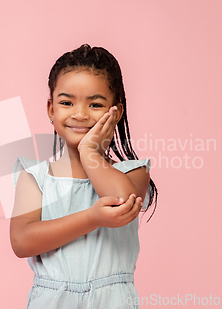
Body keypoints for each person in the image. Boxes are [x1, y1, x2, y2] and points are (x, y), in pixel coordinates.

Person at [10, 44, 158, 308]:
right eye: (67, 102)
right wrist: (92, 218)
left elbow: (122, 201)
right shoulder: (36, 176)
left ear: (116, 112)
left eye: (96, 104)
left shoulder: (133, 172)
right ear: (51, 110)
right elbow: (22, 241)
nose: (80, 114)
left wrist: (90, 151)